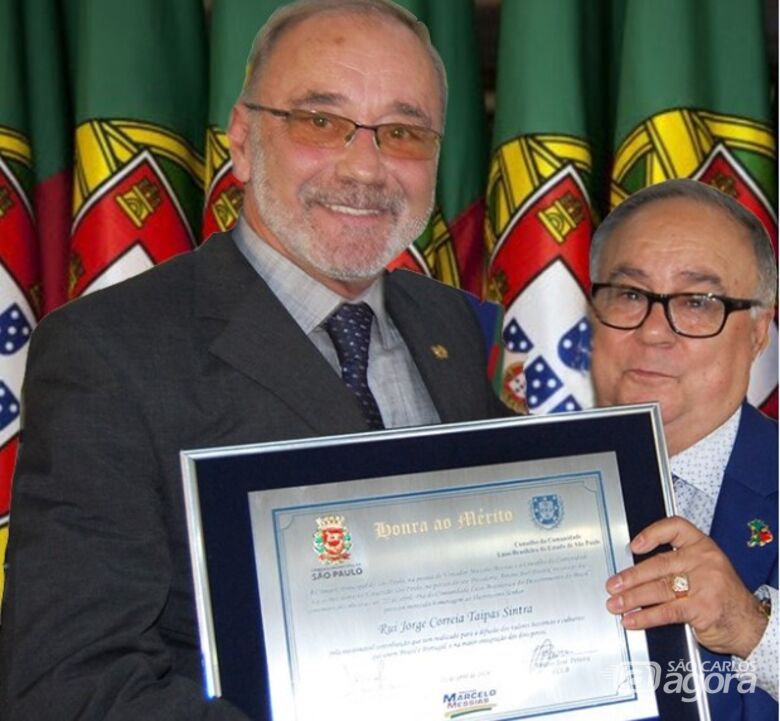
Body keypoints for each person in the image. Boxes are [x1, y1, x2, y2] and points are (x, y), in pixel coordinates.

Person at [0, 2, 509, 719]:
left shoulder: (450, 324)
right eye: (320, 121)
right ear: (241, 141)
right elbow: (71, 687)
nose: (364, 166)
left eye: (402, 132)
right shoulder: (107, 351)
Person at [590, 178, 777, 719]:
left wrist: (749, 626)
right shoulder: (509, 475)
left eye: (697, 302)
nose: (653, 332)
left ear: (759, 330)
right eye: (629, 295)